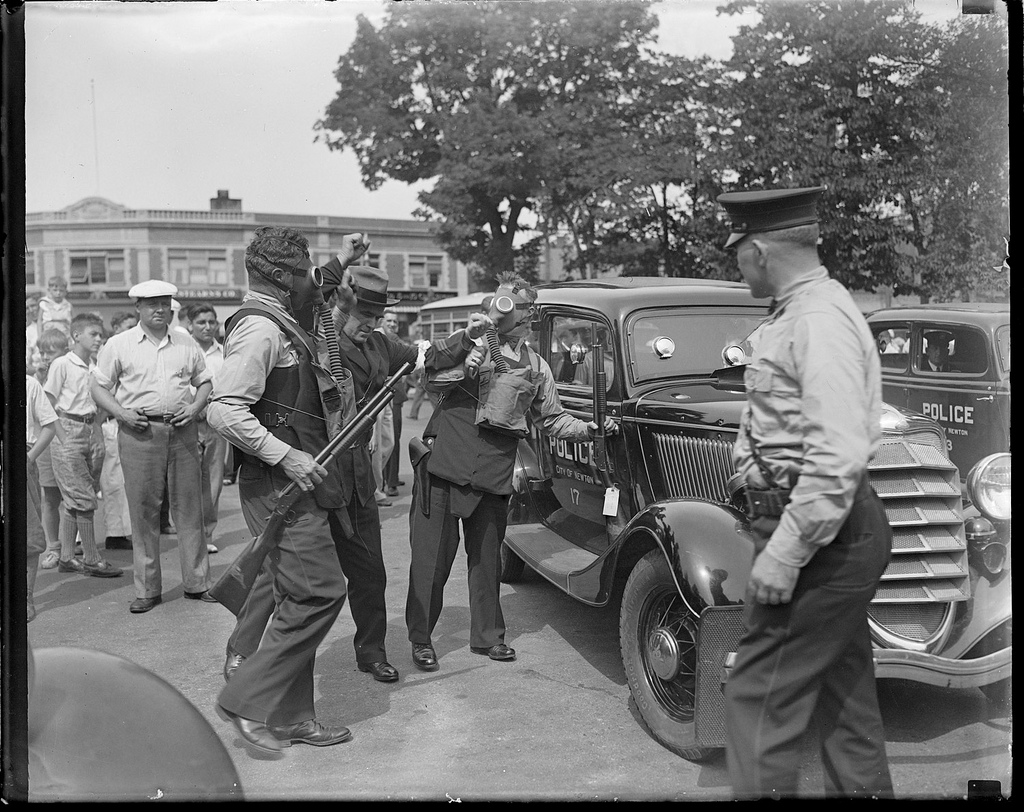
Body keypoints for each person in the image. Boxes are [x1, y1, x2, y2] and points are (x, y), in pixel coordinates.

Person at [716, 186, 893, 799]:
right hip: (827, 528)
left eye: (737, 251)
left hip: (821, 536)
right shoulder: (799, 311)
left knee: (756, 701)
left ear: (760, 250)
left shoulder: (816, 321)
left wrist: (786, 553)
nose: (734, 262)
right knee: (844, 711)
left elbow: (836, 458)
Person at [207, 226, 371, 752]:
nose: (309, 281)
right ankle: (247, 697)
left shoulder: (280, 316)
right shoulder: (261, 330)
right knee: (319, 592)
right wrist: (289, 456)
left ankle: (293, 717)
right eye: (301, 272)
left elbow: (315, 292)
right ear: (279, 277)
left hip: (289, 482)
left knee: (295, 595)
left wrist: (340, 263)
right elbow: (223, 410)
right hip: (281, 482)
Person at [404, 272, 618, 671]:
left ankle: (488, 637)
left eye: (510, 306)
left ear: (527, 316)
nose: (498, 312)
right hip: (444, 467)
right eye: (497, 302)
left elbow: (552, 419)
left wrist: (589, 430)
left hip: (493, 473)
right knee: (430, 563)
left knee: (487, 562)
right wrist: (467, 341)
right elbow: (427, 369)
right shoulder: (471, 344)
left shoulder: (536, 366)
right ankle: (421, 639)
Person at [90, 279, 215, 613]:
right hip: (140, 432)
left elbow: (204, 382)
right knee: (143, 512)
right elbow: (99, 387)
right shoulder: (120, 344)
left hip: (182, 429)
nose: (160, 310)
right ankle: (147, 589)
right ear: (138, 309)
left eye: (164, 303)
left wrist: (194, 407)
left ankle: (197, 582)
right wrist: (121, 414)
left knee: (190, 509)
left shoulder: (186, 342)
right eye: (152, 304)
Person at [43, 313, 123, 579]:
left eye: (101, 334)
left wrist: (97, 425)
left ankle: (67, 556)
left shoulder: (95, 366)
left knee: (78, 496)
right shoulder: (62, 364)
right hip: (68, 428)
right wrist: (62, 434)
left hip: (92, 428)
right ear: (76, 335)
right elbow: (48, 401)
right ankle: (91, 558)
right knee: (83, 496)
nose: (99, 339)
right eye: (94, 334)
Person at [188, 302, 227, 554]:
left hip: (216, 422)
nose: (208, 327)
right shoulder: (183, 349)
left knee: (214, 481)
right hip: (188, 421)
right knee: (189, 480)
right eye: (201, 322)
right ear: (190, 325)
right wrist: (195, 405)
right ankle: (190, 534)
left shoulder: (225, 352)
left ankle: (207, 534)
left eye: (212, 322)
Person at [98, 312, 138, 551]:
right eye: (128, 326)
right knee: (112, 480)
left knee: (121, 481)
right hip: (109, 421)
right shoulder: (110, 349)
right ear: (115, 327)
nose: (133, 330)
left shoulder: (129, 349)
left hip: (123, 421)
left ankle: (120, 530)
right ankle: (114, 532)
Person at [35, 330, 71, 570]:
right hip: (46, 439)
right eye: (42, 352)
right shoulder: (35, 378)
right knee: (49, 497)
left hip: (67, 436)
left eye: (51, 352)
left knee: (71, 496)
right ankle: (54, 547)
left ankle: (69, 549)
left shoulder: (69, 369)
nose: (46, 357)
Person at [26, 373, 60, 621]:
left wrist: (28, 458)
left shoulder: (28, 384)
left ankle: (25, 597)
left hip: (20, 455)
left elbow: (50, 425)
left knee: (28, 536)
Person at [381, 308, 409, 497]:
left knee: (395, 436)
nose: (392, 325)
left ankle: (392, 477)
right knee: (389, 437)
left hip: (396, 395)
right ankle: (389, 482)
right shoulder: (386, 340)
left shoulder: (390, 339)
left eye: (395, 322)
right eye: (389, 321)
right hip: (387, 395)